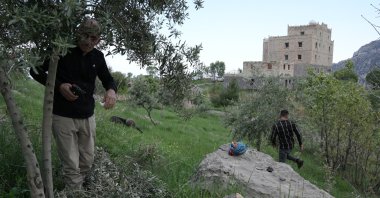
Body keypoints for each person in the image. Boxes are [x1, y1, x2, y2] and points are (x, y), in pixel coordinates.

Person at [30, 18, 117, 190]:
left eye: (93, 38)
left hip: (87, 116)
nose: (88, 41)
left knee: (87, 160)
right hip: (62, 116)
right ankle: (76, 193)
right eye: (85, 36)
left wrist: (111, 90)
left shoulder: (97, 57)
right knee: (71, 165)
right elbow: (35, 70)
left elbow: (108, 79)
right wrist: (58, 86)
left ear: (98, 40)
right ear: (78, 34)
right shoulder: (61, 50)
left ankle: (79, 190)